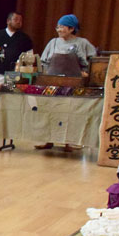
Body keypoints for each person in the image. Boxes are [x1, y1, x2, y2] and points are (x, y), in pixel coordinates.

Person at [36, 14, 97, 151]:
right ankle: (48, 140)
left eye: (62, 27)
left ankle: (69, 142)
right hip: (53, 82)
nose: (59, 30)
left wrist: (85, 72)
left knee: (70, 112)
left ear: (71, 28)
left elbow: (93, 60)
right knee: (51, 111)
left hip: (73, 83)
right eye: (58, 27)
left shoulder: (82, 43)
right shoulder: (53, 42)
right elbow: (44, 61)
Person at [0, 12, 33, 129]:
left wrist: (27, 69)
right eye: (16, 20)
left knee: (12, 99)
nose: (19, 22)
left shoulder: (24, 38)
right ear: (8, 21)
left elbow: (30, 56)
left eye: (20, 20)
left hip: (15, 73)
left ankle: (10, 126)